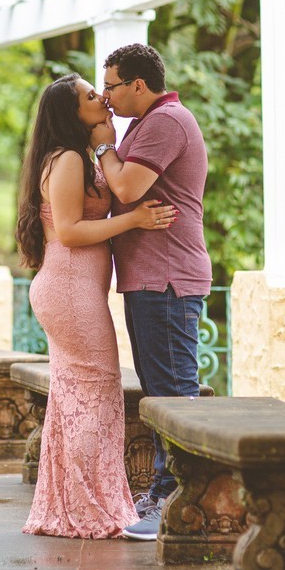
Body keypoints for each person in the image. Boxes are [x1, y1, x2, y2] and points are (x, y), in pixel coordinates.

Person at [16, 72, 178, 539]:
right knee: (98, 394)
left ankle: (70, 505)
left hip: (72, 288)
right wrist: (134, 219)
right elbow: (69, 231)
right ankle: (89, 508)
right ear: (72, 113)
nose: (102, 98)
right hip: (69, 289)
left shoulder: (77, 155)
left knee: (74, 399)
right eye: (91, 95)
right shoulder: (67, 159)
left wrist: (105, 145)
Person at [89, 43, 211, 542]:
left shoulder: (166, 121)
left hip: (167, 280)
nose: (106, 96)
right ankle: (168, 493)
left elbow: (126, 188)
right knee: (161, 392)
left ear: (138, 84)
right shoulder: (146, 123)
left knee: (173, 394)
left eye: (111, 86)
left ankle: (179, 502)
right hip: (151, 279)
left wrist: (103, 146)